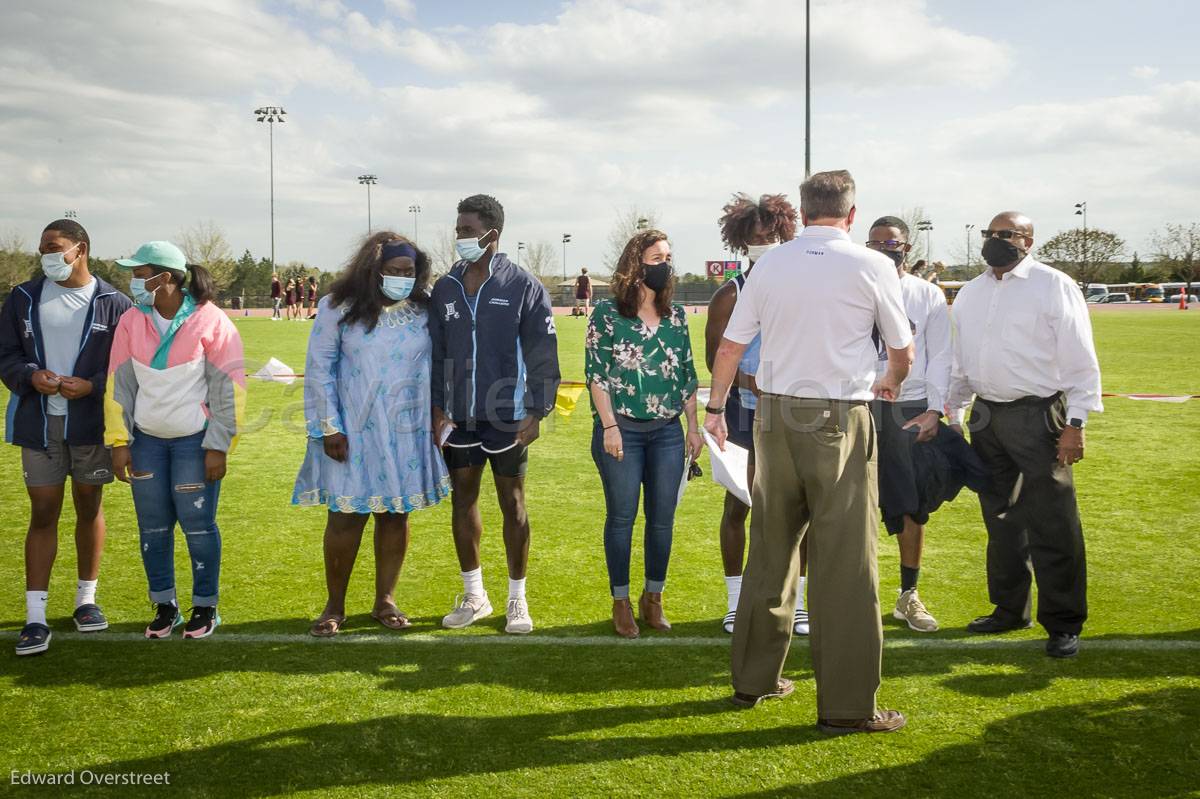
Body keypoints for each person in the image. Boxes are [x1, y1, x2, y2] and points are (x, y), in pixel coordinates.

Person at [705, 170, 913, 735]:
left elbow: (730, 346)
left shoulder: (769, 264)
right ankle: (847, 705)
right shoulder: (872, 265)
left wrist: (715, 408)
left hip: (773, 416)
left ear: (802, 211)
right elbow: (902, 349)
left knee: (771, 549)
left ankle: (753, 679)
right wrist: (890, 382)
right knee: (847, 561)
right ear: (851, 214)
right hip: (838, 416)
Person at [947, 211, 1102, 659]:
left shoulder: (1053, 285)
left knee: (1053, 521)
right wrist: (955, 411)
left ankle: (1064, 622)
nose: (995, 241)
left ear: (1028, 241)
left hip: (1040, 415)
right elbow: (963, 359)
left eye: (1006, 234)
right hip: (987, 416)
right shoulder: (972, 292)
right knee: (1000, 519)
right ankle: (1009, 608)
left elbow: (1079, 358)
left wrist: (1075, 424)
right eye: (989, 234)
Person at [293, 234, 451, 636]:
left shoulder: (422, 309)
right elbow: (319, 369)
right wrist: (329, 426)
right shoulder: (337, 308)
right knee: (346, 516)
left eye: (408, 272)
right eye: (394, 271)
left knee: (395, 514)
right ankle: (335, 605)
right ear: (373, 271)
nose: (402, 278)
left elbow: (440, 363)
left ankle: (386, 600)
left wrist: (438, 413)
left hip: (405, 429)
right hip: (352, 429)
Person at [429, 194, 561, 634]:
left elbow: (543, 352)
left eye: (466, 230)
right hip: (459, 416)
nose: (459, 237)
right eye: (458, 230)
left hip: (508, 414)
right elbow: (437, 353)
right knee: (463, 501)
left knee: (513, 503)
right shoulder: (445, 287)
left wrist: (538, 409)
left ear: (492, 234)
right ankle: (475, 595)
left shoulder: (522, 285)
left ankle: (517, 600)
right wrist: (436, 407)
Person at [0, 219, 132, 656]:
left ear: (81, 249)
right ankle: (35, 617)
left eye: (54, 247)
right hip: (38, 424)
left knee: (89, 506)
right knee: (42, 513)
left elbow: (125, 366)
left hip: (90, 425)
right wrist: (28, 375)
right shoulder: (22, 297)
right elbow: (6, 356)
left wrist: (92, 386)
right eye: (42, 249)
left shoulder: (114, 302)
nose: (46, 256)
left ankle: (85, 601)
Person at [105, 241, 246, 640]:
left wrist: (218, 445)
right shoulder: (132, 321)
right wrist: (119, 440)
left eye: (138, 273)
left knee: (198, 526)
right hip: (147, 442)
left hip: (194, 444)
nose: (132, 281)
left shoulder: (212, 321)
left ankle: (206, 606)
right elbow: (119, 385)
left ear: (163, 277)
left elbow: (229, 389)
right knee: (152, 528)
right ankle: (164, 605)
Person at [585, 230, 702, 638]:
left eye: (668, 256)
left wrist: (694, 428)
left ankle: (653, 598)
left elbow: (686, 375)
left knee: (662, 519)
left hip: (668, 432)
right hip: (623, 432)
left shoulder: (676, 316)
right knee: (621, 517)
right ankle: (620, 601)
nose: (665, 264)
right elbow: (596, 376)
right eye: (656, 256)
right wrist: (610, 427)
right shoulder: (606, 313)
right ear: (636, 263)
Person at [705, 192, 809, 636]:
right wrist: (752, 384)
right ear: (740, 242)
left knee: (800, 510)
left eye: (772, 235)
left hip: (795, 413)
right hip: (744, 414)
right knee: (739, 506)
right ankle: (735, 601)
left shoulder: (804, 286)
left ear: (787, 234)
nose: (763, 243)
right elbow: (715, 359)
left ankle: (798, 603)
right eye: (754, 238)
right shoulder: (730, 294)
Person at [865, 216, 952, 632]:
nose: (885, 248)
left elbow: (941, 356)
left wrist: (935, 410)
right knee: (851, 504)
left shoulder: (927, 294)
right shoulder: (854, 287)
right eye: (876, 242)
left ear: (907, 246)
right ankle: (854, 596)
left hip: (909, 406)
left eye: (892, 242)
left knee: (911, 503)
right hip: (859, 406)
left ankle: (908, 594)